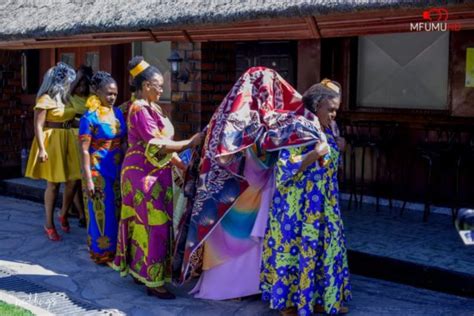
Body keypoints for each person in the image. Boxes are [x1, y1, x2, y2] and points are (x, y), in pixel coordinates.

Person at [174, 67, 325, 301]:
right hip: (246, 191)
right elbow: (271, 143)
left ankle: (227, 287)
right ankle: (239, 288)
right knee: (245, 241)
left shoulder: (224, 116)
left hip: (225, 195)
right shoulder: (267, 119)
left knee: (228, 240)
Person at [112, 57, 202, 299]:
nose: (161, 89)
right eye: (156, 84)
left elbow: (164, 147)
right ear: (143, 85)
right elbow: (157, 145)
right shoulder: (139, 109)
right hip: (142, 175)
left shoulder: (155, 108)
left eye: (162, 85)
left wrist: (181, 165)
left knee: (153, 224)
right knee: (154, 226)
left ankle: (141, 270)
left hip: (155, 172)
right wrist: (190, 143)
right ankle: (153, 281)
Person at [260, 79, 351, 315]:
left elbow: (330, 164)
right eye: (330, 109)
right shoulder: (298, 127)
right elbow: (284, 168)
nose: (333, 115)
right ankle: (289, 302)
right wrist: (313, 155)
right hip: (298, 205)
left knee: (325, 249)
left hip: (324, 202)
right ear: (317, 105)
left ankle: (321, 297)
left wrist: (339, 146)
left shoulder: (327, 129)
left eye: (336, 110)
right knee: (295, 250)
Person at [25, 62, 80, 241]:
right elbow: (38, 125)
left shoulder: (67, 98)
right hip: (51, 142)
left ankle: (63, 213)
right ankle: (49, 223)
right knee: (54, 184)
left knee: (73, 181)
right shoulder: (45, 99)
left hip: (68, 139)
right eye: (68, 81)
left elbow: (73, 118)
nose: (70, 84)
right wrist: (41, 149)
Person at [79, 71, 127, 264]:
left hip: (117, 169)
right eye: (108, 93)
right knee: (101, 212)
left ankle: (117, 251)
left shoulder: (117, 113)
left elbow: (123, 141)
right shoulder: (88, 117)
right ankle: (101, 253)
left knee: (117, 210)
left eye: (115, 93)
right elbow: (83, 150)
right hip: (97, 171)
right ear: (97, 92)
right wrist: (88, 178)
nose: (112, 97)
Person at [68, 65, 94, 228]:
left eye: (85, 84)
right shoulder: (69, 96)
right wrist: (77, 77)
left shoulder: (91, 97)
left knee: (85, 175)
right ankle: (80, 213)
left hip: (90, 137)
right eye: (79, 84)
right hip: (73, 136)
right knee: (75, 177)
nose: (82, 88)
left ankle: (85, 211)